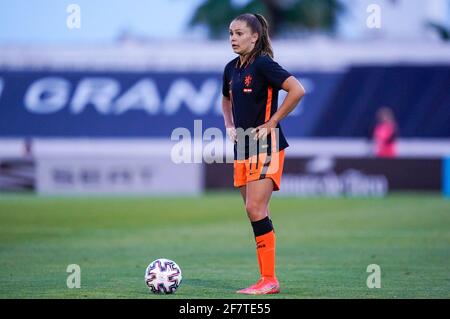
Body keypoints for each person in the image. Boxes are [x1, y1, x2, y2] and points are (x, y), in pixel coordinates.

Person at [222, 13, 305, 295]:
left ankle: (269, 279)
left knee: (254, 209)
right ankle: (266, 278)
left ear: (255, 37)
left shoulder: (263, 65)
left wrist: (272, 122)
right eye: (231, 33)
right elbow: (225, 98)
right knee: (256, 212)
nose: (233, 38)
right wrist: (229, 125)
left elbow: (297, 90)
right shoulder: (231, 68)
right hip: (242, 147)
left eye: (239, 33)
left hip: (265, 144)